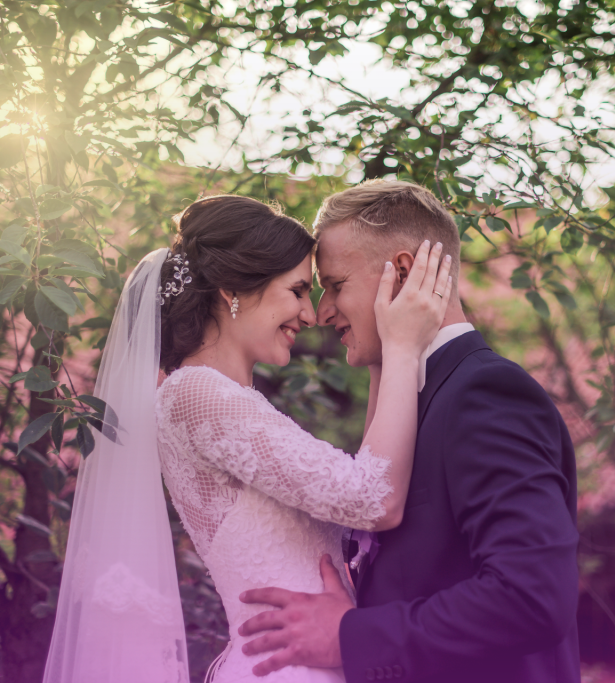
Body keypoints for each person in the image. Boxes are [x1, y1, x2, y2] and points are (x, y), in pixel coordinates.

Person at [43, 194, 452, 683]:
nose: (310, 313)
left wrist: (384, 349)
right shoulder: (196, 394)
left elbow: (366, 479)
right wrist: (404, 346)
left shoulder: (232, 400)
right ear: (233, 290)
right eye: (297, 290)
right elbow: (373, 498)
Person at [237, 181, 581, 683]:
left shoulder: (485, 393)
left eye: (335, 284)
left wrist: (351, 635)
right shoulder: (412, 399)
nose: (322, 311)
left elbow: (532, 597)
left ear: (401, 272)